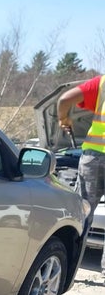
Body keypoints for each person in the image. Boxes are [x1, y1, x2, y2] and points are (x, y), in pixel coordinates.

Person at [58, 75, 105, 275]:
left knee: (83, 213)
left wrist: (64, 118)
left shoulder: (102, 82)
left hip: (94, 158)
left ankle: (70, 267)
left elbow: (64, 100)